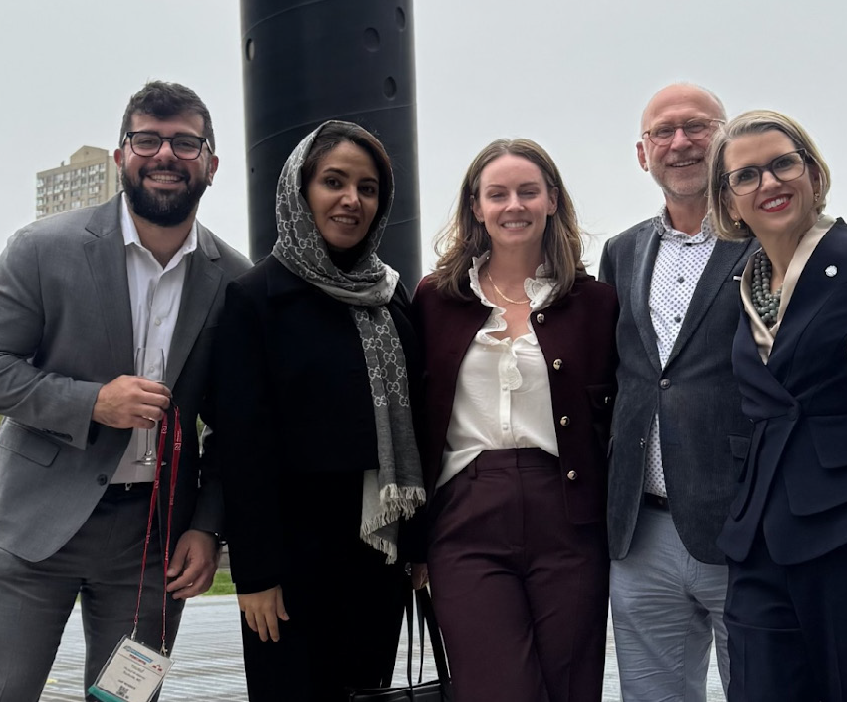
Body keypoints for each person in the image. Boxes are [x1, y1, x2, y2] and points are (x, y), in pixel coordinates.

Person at [0, 81, 250, 701]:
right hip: (36, 528)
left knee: (125, 699)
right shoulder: (42, 248)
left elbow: (239, 424)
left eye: (186, 143)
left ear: (211, 165)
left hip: (154, 543)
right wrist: (92, 402)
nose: (165, 154)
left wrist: (208, 525)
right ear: (122, 156)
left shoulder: (236, 280)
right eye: (147, 138)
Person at [208, 120, 423, 701]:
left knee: (364, 694)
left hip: (377, 555)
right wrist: (254, 576)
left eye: (368, 187)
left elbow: (419, 429)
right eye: (334, 181)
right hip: (290, 564)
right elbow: (240, 444)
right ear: (299, 192)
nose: (352, 200)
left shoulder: (391, 294)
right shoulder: (256, 299)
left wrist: (418, 549)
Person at [412, 138, 617, 702]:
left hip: (569, 516)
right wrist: (413, 541)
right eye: (496, 194)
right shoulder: (434, 299)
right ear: (475, 207)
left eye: (528, 192)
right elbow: (413, 420)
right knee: (499, 689)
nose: (514, 205)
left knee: (571, 687)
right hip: (466, 516)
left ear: (552, 200)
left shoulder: (594, 302)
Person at [706, 110, 847, 702]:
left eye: (783, 164)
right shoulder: (745, 283)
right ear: (729, 202)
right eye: (746, 175)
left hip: (846, 519)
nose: (769, 183)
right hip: (759, 524)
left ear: (812, 172)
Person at [599, 83, 757, 701]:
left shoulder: (765, 236)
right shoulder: (621, 252)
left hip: (742, 522)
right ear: (643, 155)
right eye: (662, 132)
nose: (681, 142)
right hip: (641, 531)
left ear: (725, 138)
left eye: (697, 127)